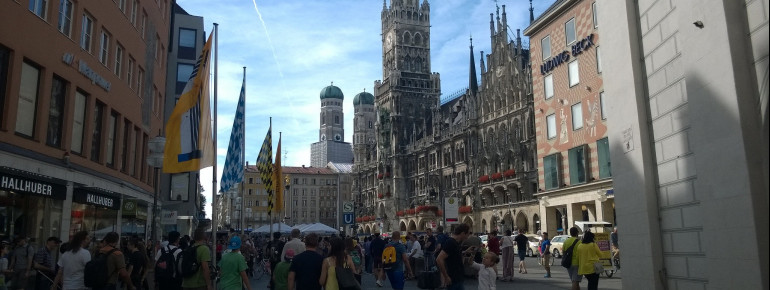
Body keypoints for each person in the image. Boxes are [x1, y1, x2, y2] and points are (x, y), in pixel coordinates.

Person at [437, 224, 471, 290]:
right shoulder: (451, 242)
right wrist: (446, 276)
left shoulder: (456, 243)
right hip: (454, 278)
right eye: (468, 234)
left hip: (458, 278)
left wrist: (465, 252)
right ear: (463, 233)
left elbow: (453, 255)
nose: (468, 236)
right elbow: (439, 259)